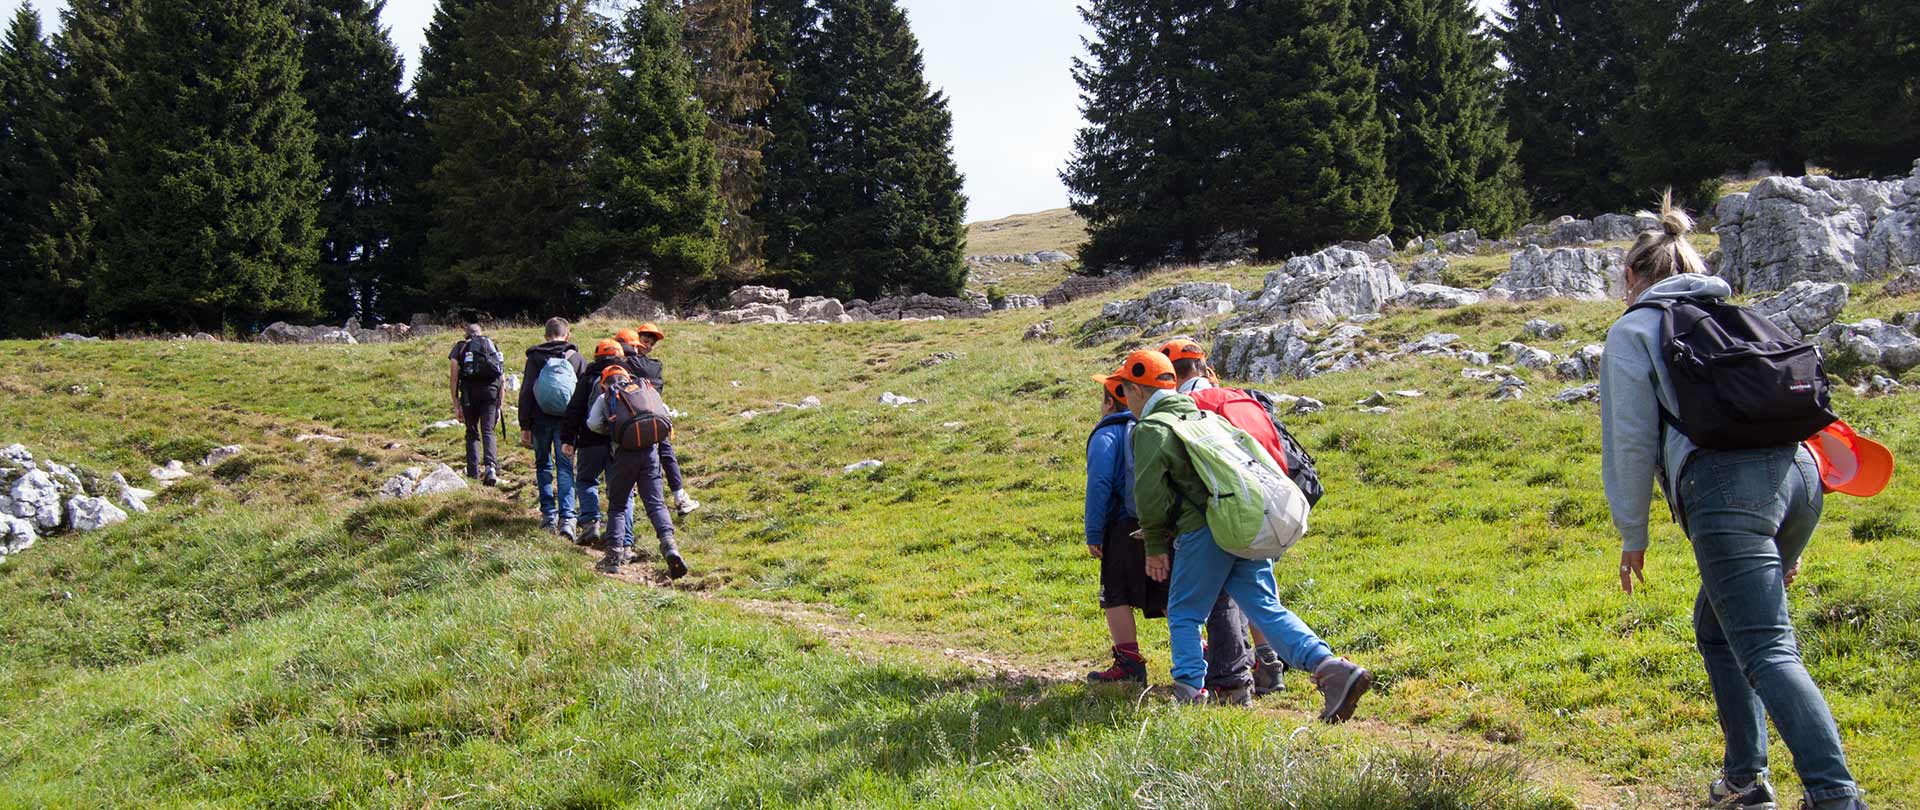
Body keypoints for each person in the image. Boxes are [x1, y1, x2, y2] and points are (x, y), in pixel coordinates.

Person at [1601, 194, 1867, 810]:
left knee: (1768, 648)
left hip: (1728, 490)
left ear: (1635, 276)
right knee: (1716, 629)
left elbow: (1631, 439)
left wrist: (1631, 532)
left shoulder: (1636, 328)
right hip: (1803, 476)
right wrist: (1789, 540)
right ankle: (1746, 781)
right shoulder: (1734, 313)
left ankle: (1835, 796)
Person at [1116, 348, 1370, 718]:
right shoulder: (1204, 415)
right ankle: (1332, 669)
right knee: (1265, 608)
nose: (1126, 403)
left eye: (1125, 393)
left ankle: (1188, 695)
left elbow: (1150, 493)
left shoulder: (1152, 428)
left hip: (1203, 530)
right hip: (1241, 522)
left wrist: (1155, 544)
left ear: (1138, 391)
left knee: (1186, 613)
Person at [1082, 373, 1253, 699]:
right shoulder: (1159, 424)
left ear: (1110, 401)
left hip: (1122, 526)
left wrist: (1094, 530)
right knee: (1169, 593)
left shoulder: (1109, 433)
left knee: (1115, 595)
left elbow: (1099, 483)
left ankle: (1129, 660)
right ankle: (1204, 651)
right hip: (1166, 524)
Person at [1162, 337, 1288, 696]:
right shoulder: (1236, 397)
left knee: (1218, 600)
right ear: (1203, 366)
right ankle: (1271, 667)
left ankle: (1225, 681)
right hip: (1269, 503)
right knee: (1261, 596)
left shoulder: (1188, 406)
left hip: (1226, 513)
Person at [586, 364, 687, 579]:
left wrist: (613, 429)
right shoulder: (643, 389)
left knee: (618, 506)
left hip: (624, 454)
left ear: (604, 384)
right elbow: (665, 415)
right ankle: (670, 546)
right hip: (651, 452)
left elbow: (593, 424)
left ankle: (613, 557)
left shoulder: (606, 397)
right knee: (656, 504)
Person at [617, 323, 699, 515]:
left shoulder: (626, 364)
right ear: (636, 341)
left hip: (628, 422)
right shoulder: (653, 366)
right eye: (645, 341)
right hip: (654, 417)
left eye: (651, 344)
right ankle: (679, 496)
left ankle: (633, 500)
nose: (648, 346)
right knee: (666, 453)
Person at [519, 317, 585, 538]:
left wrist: (524, 425)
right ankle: (568, 518)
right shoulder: (576, 358)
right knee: (565, 467)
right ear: (567, 335)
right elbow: (584, 396)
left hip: (540, 420)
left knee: (543, 464)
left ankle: (548, 514)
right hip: (567, 422)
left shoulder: (535, 357)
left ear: (546, 336)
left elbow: (527, 392)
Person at [561, 339, 628, 547]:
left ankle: (591, 524)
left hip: (590, 441)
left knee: (587, 480)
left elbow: (574, 410)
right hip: (621, 443)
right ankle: (623, 537)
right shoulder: (629, 377)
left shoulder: (588, 378)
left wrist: (568, 440)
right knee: (621, 490)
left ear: (597, 357)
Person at [448, 321, 505, 485]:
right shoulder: (492, 345)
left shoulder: (459, 348)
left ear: (465, 334)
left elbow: (453, 378)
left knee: (472, 431)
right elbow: (501, 378)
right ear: (481, 333)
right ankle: (491, 468)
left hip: (469, 393)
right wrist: (499, 406)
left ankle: (473, 473)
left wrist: (456, 403)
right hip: (492, 392)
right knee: (488, 430)